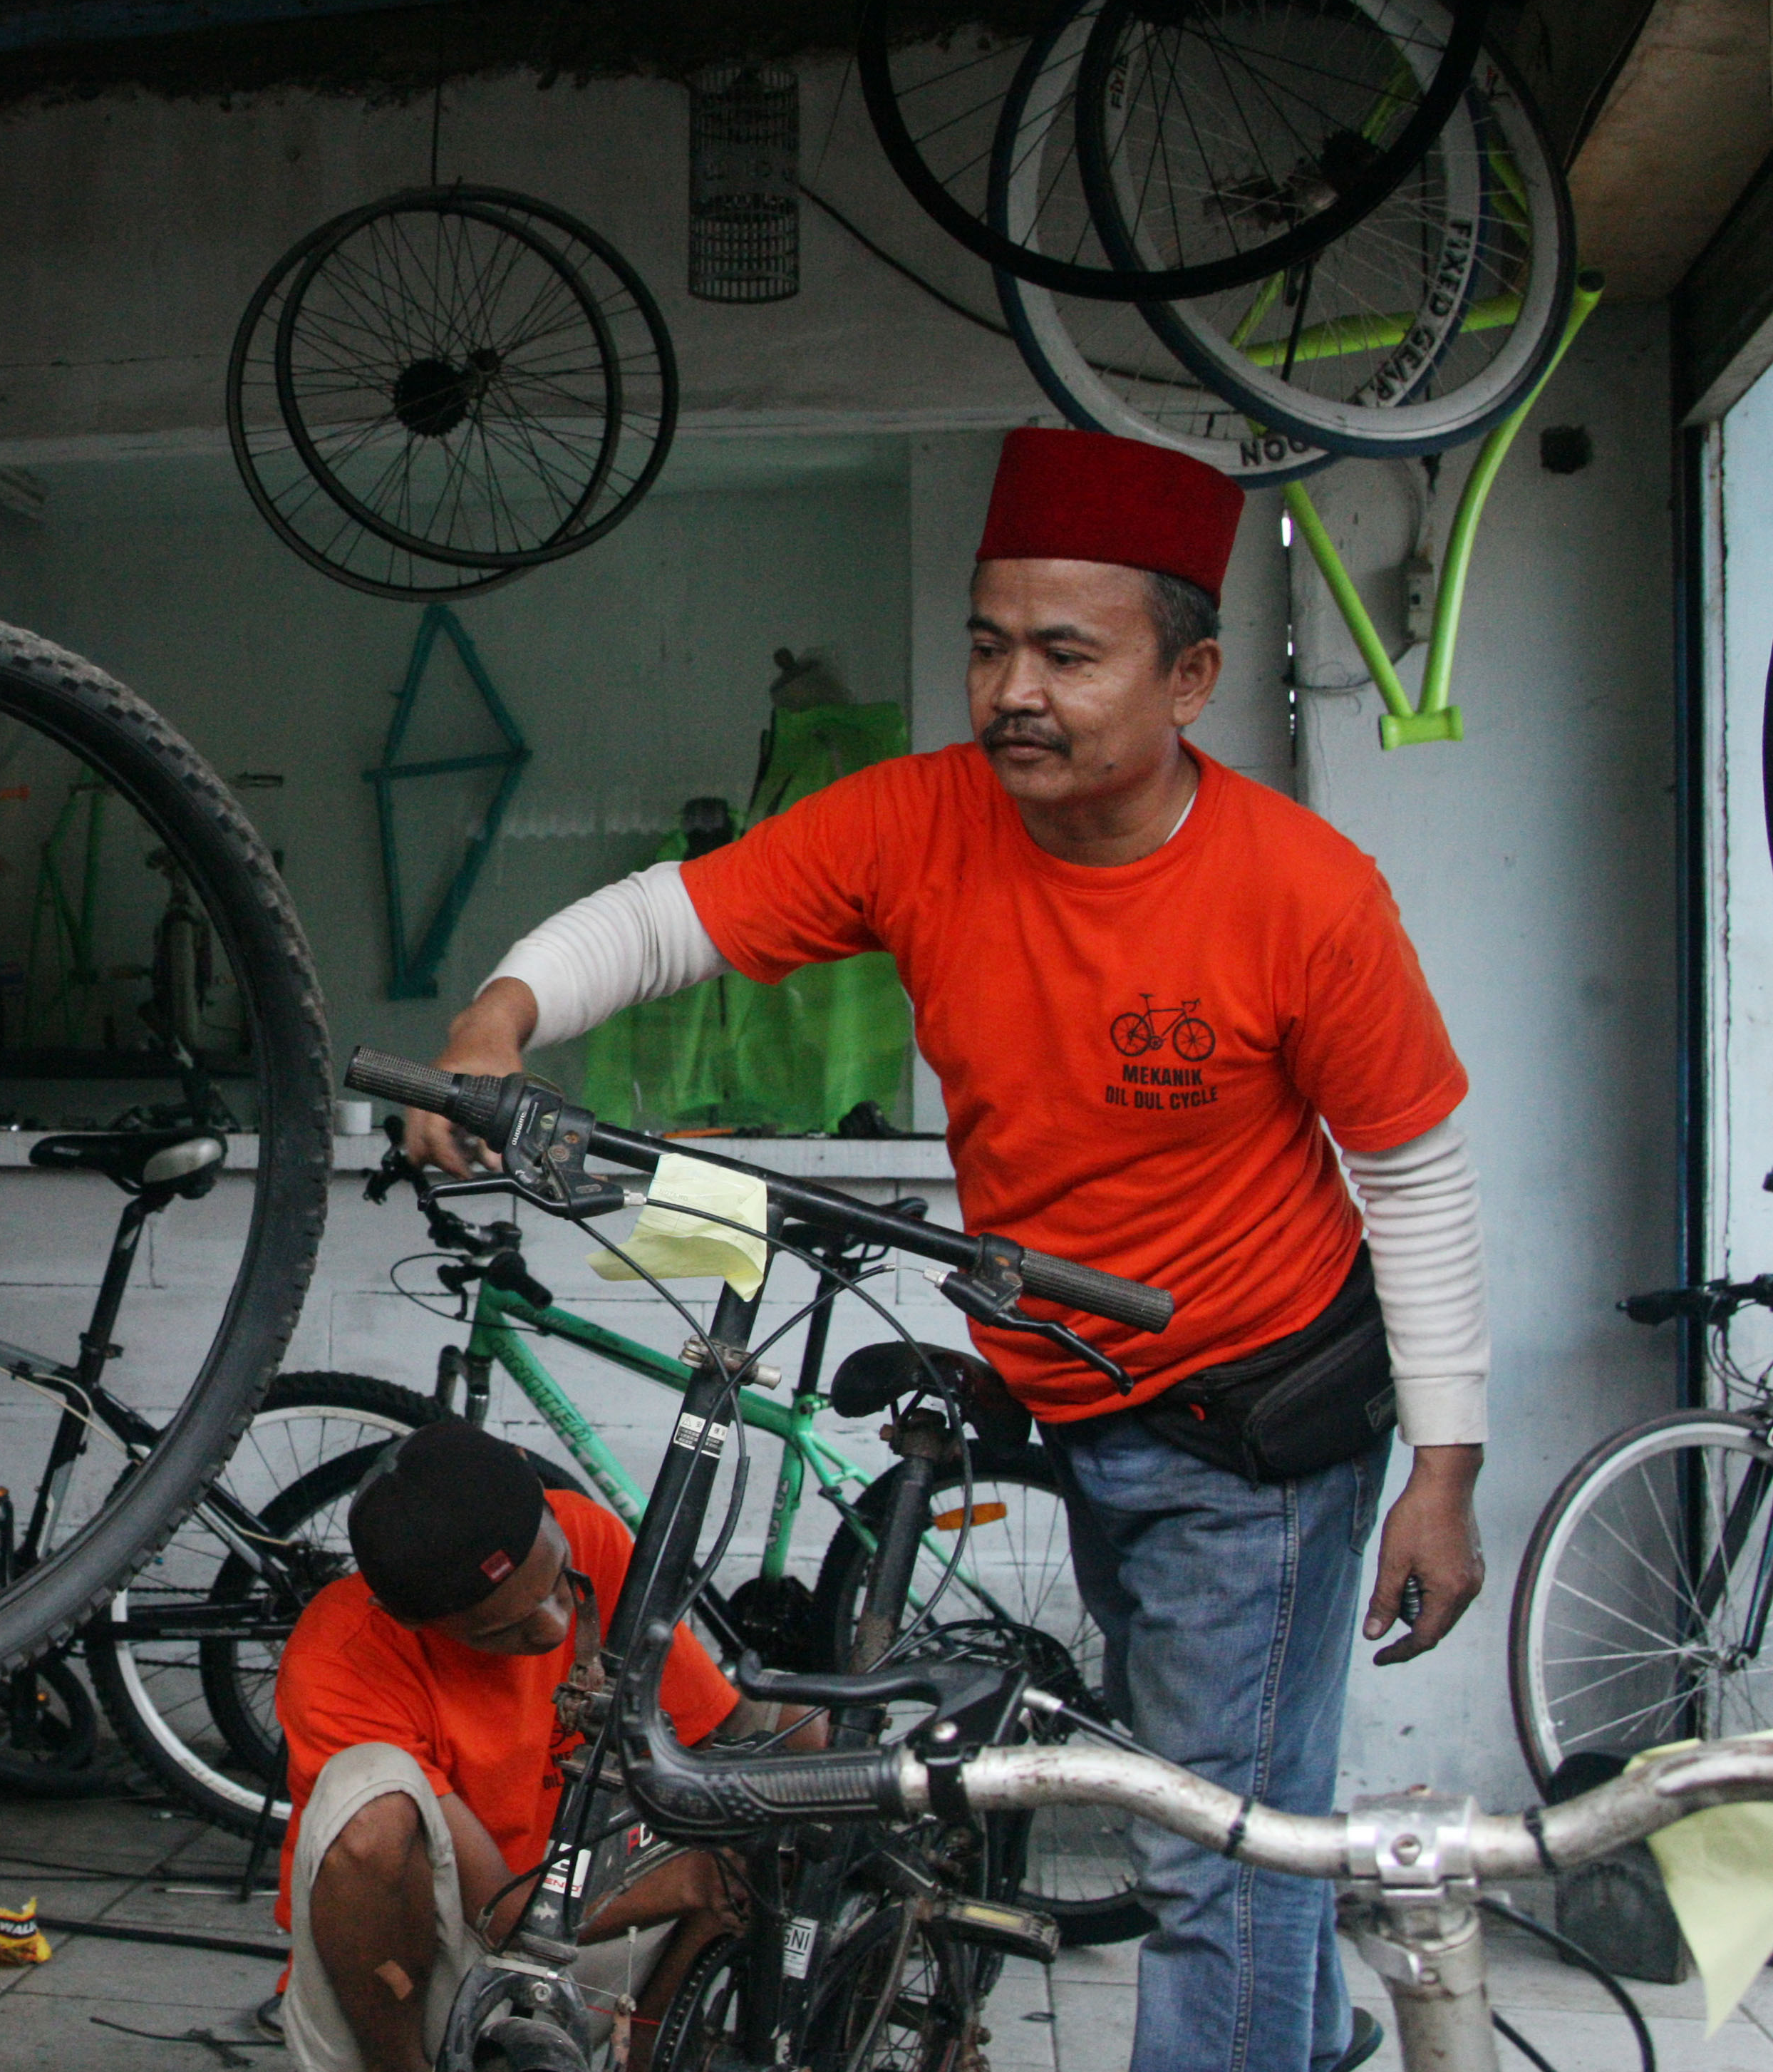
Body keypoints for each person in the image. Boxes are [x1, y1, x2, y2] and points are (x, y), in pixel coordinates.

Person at [403, 427, 1487, 2072]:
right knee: (1224, 1809)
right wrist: (501, 1010)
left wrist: (1445, 1468)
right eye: (987, 644)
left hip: (1253, 1430)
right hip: (1073, 1387)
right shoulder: (917, 825)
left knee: (1218, 1851)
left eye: (1065, 652)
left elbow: (1410, 1177)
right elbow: (670, 918)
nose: (1010, 690)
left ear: (1187, 675)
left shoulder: (1302, 897)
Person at [276, 1420, 753, 2072]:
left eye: (560, 1585)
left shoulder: (586, 1533)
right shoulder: (343, 1656)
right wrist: (698, 1876)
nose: (555, 1626)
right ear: (419, 1623)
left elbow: (710, 1728)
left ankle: (645, 2058)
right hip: (428, 1970)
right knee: (369, 1802)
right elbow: (501, 1915)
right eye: (505, 1628)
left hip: (586, 1941)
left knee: (783, 1753)